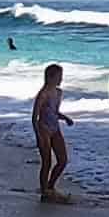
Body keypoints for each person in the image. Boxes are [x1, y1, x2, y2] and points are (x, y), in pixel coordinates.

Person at [31, 63, 74, 202]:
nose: (61, 79)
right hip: (43, 128)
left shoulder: (58, 92)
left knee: (62, 160)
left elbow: (54, 111)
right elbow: (35, 116)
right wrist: (38, 135)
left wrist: (65, 118)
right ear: (50, 77)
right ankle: (45, 192)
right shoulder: (43, 94)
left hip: (55, 127)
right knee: (47, 162)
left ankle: (50, 187)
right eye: (58, 76)